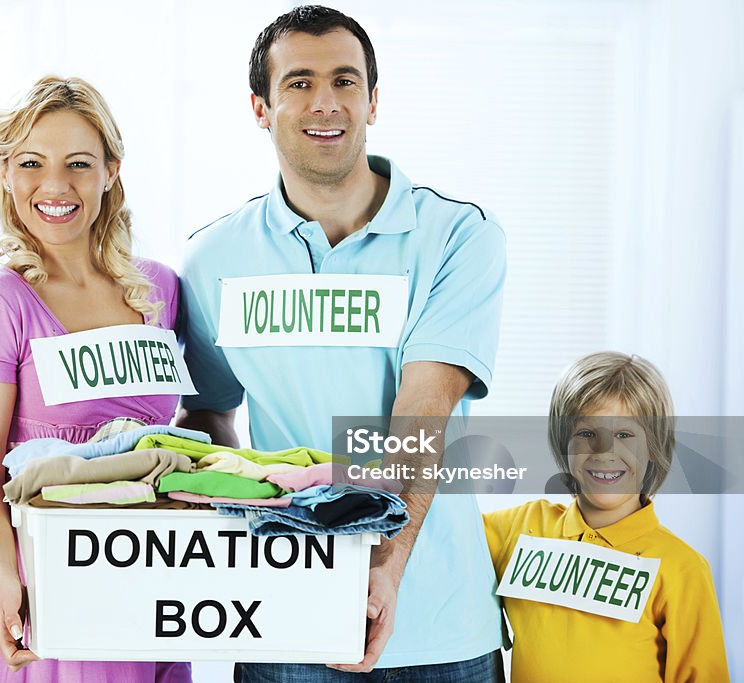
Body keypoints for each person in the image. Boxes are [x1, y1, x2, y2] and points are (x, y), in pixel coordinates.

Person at [178, 5, 506, 681]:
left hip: (436, 626)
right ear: (260, 108)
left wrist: (384, 567)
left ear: (374, 101)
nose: (325, 102)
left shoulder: (457, 236)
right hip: (283, 623)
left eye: (345, 81)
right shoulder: (214, 258)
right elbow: (208, 415)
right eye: (298, 81)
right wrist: (250, 521)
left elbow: (424, 408)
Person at [0, 76, 191, 682]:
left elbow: (179, 439)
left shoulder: (161, 289)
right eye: (31, 163)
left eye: (79, 163)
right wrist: (9, 585)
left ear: (111, 170)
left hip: (148, 585)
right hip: (39, 592)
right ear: (2, 169)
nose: (55, 186)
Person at [483, 352, 730, 682]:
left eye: (625, 435)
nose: (604, 452)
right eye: (587, 433)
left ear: (654, 447)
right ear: (564, 442)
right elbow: (436, 534)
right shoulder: (520, 529)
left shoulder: (682, 568)